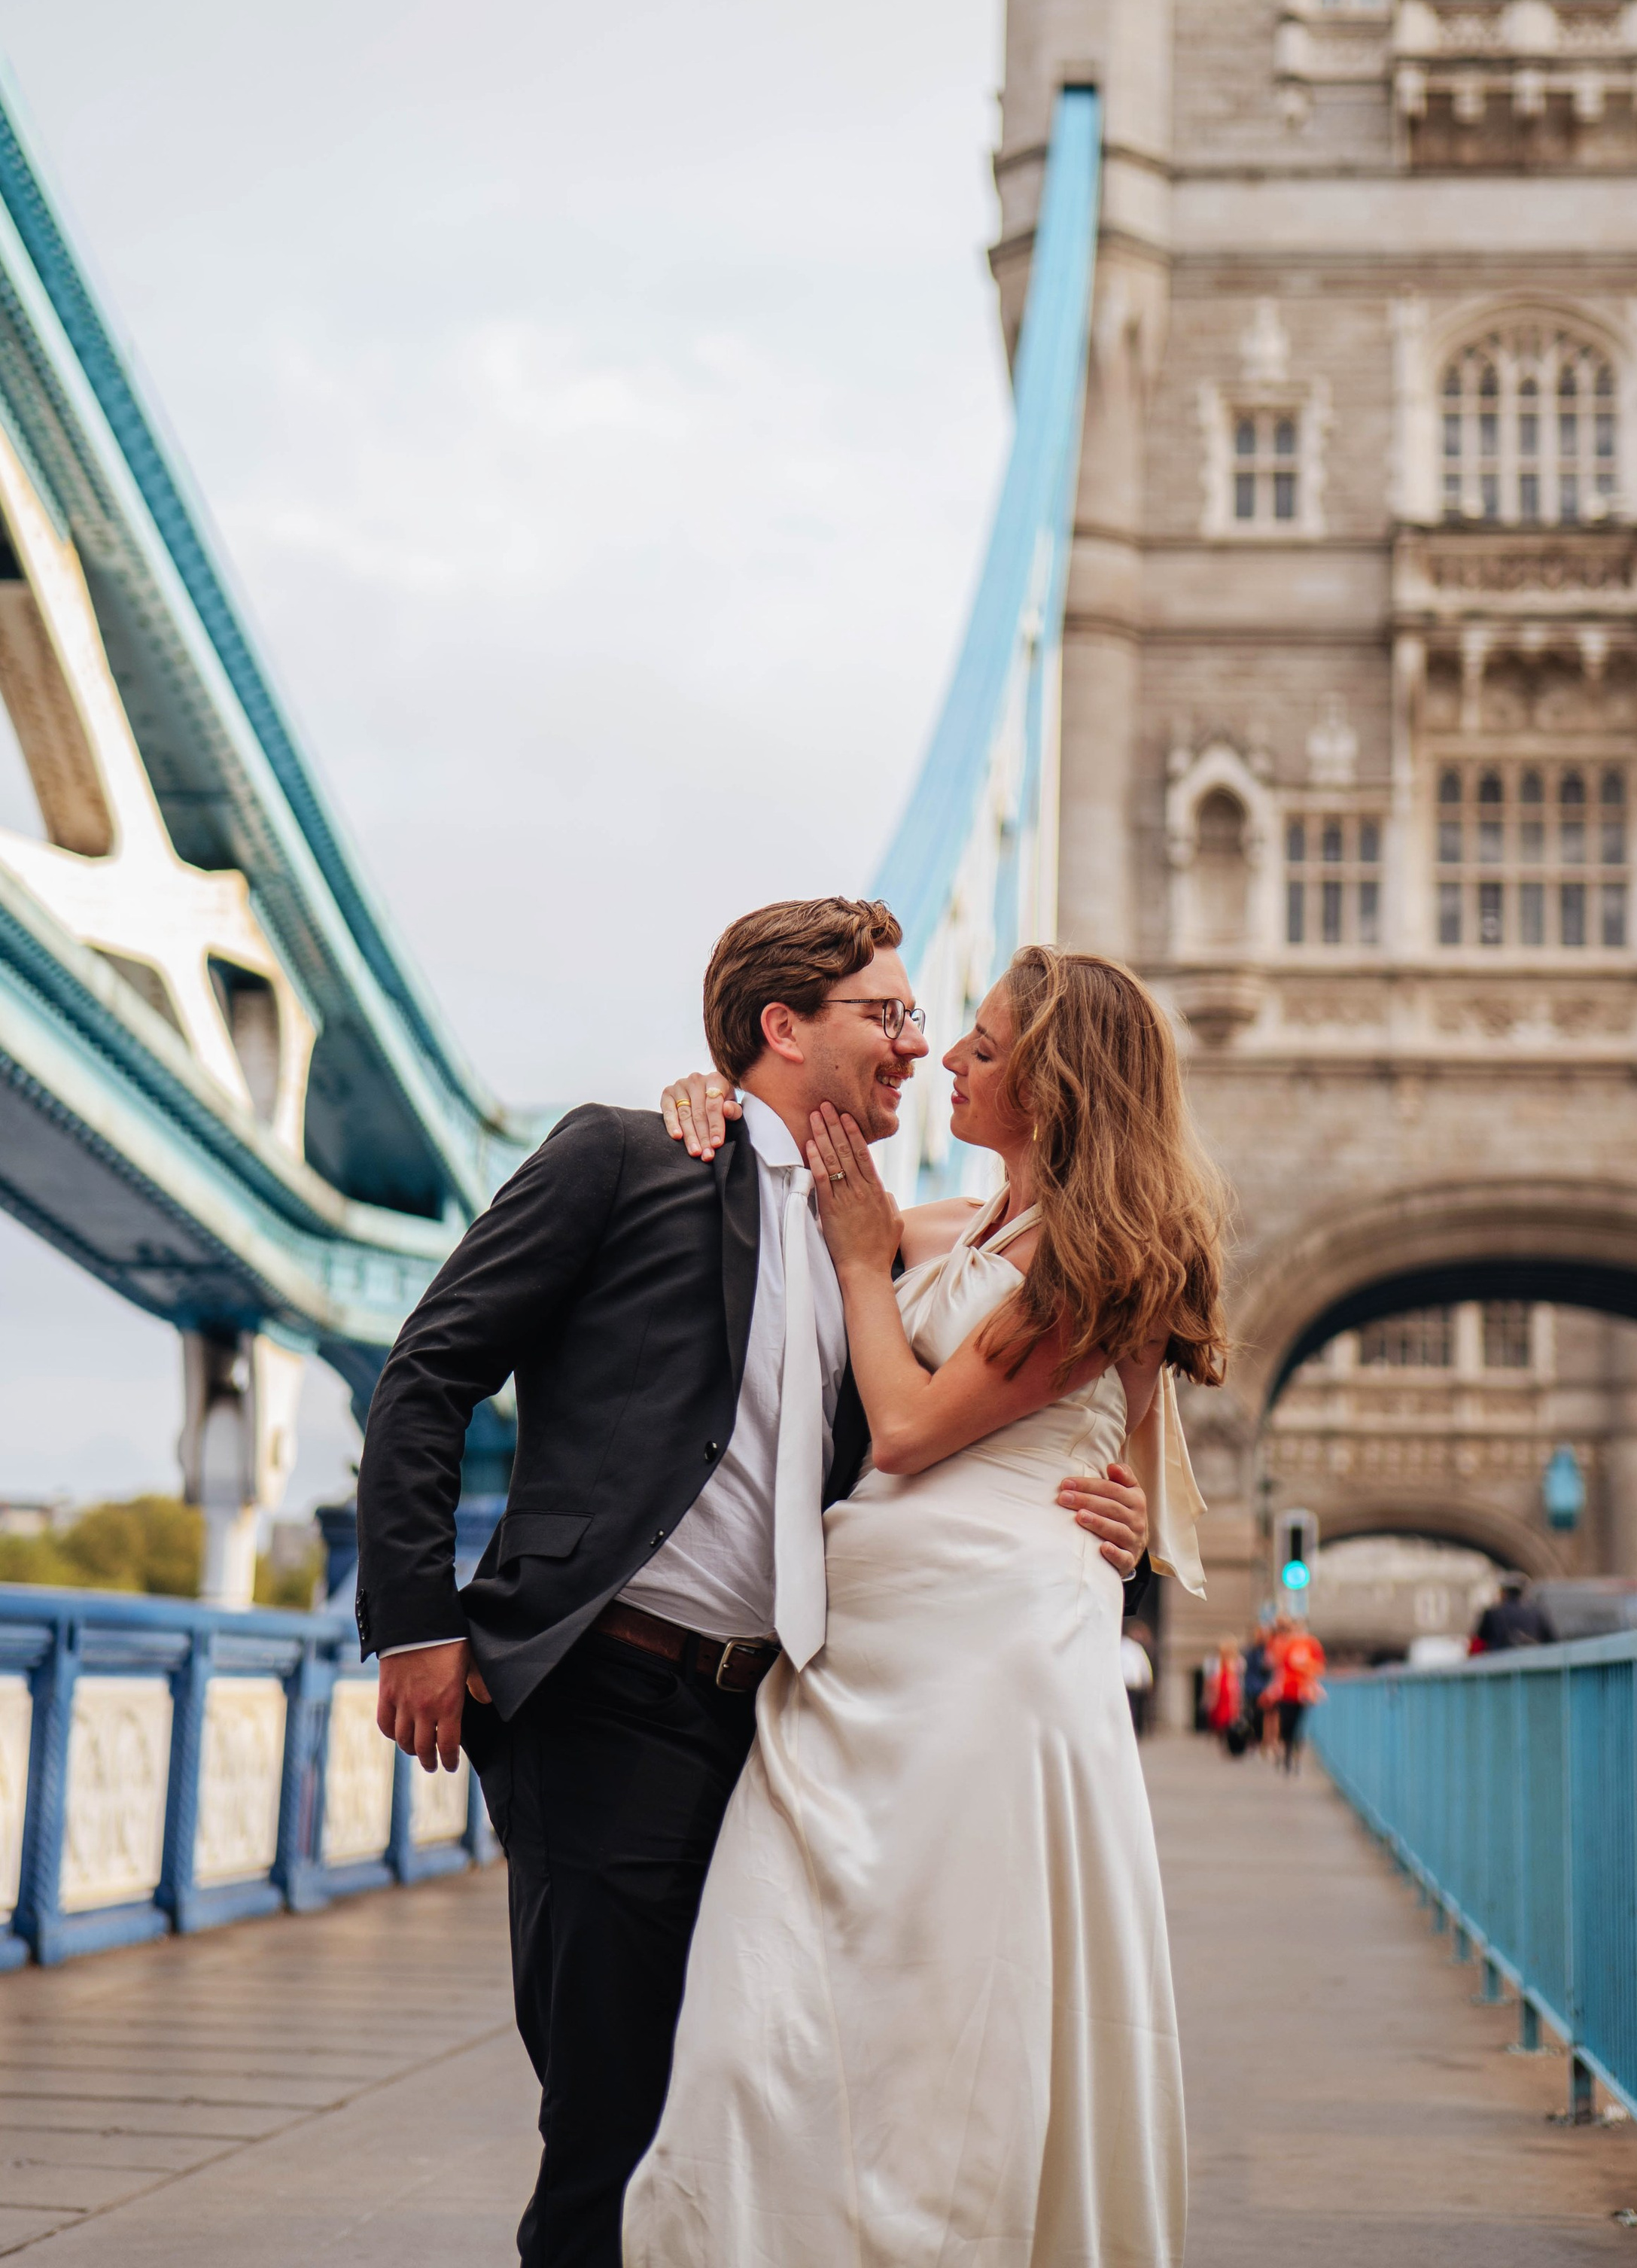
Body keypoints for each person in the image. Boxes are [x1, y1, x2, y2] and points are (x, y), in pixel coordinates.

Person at [353, 899, 1150, 2268]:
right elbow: (431, 1373)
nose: (917, 1043)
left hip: (788, 1726)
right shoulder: (628, 1156)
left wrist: (1099, 1495)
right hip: (608, 1693)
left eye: (926, 1020)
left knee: (751, 2110)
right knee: (615, 2121)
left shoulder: (886, 1244)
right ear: (783, 1028)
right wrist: (415, 1625)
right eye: (887, 1016)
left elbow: (960, 1405)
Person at [625, 942, 1227, 2266]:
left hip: (989, 1670)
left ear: (1061, 1083)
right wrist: (714, 1100)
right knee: (757, 2011)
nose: (947, 1056)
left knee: (955, 2019)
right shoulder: (962, 1230)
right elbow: (784, 1188)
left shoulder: (1106, 1252)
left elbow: (900, 1427)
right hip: (855, 1664)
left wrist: (856, 1262)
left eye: (989, 1045)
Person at [1271, 1622, 1325, 1773]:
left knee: (1299, 1727)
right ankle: (1286, 1755)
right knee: (1286, 1726)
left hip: (1303, 1694)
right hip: (1286, 1691)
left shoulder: (1312, 1644)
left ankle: (1296, 1758)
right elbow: (1277, 1666)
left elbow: (1320, 1667)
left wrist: (1307, 1669)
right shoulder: (1286, 1645)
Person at [1472, 1575, 1554, 1652]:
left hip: (1500, 1660)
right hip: (1531, 1659)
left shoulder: (1493, 1613)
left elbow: (1479, 1643)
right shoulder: (1537, 1613)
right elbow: (1550, 1641)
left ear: (1504, 1593)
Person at [1121, 1618, 1156, 1739]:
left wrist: (1148, 1681)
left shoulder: (1136, 1647)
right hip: (1127, 1683)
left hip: (1134, 1684)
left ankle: (1136, 1729)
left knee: (1136, 1708)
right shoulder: (1125, 1646)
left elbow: (1143, 1666)